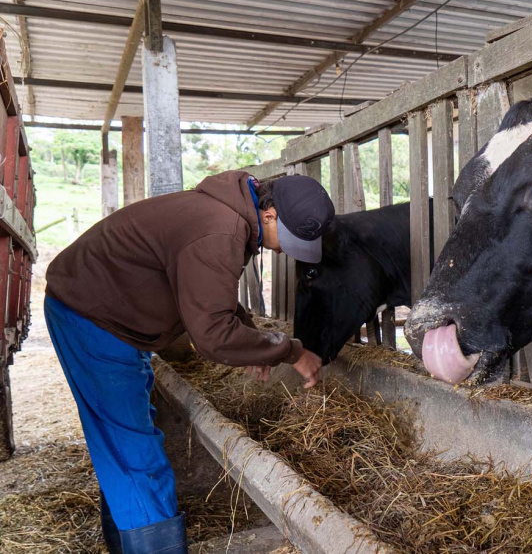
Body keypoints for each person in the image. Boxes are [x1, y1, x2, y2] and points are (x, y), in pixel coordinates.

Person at [44, 170, 333, 554]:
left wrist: (254, 342)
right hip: (94, 317)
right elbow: (212, 337)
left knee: (128, 440)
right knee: (135, 452)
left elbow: (211, 294)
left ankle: (125, 541)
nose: (283, 252)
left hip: (116, 317)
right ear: (269, 215)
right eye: (289, 240)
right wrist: (288, 350)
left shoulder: (228, 214)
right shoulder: (220, 230)